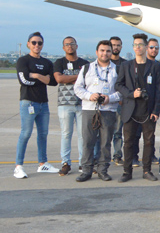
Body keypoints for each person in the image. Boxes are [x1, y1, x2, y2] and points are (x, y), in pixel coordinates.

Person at [115, 33, 160, 183]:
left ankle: (147, 170)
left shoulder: (154, 66)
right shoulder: (126, 65)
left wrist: (156, 110)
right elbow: (118, 85)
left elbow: (157, 89)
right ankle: (127, 171)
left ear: (146, 47)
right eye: (135, 45)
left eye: (140, 45)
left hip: (148, 111)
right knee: (128, 141)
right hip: (130, 110)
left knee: (149, 141)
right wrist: (131, 94)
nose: (138, 47)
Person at [74, 40, 121, 182]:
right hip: (89, 109)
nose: (105, 53)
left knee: (105, 142)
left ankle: (103, 170)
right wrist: (90, 96)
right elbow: (78, 88)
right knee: (88, 141)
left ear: (111, 53)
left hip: (108, 110)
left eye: (107, 51)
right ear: (97, 52)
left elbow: (122, 91)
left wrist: (110, 98)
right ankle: (86, 170)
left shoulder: (116, 69)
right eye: (102, 50)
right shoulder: (87, 68)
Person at [14, 32, 59, 179]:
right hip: (28, 102)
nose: (36, 45)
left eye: (39, 43)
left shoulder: (47, 62)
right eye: (34, 42)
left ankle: (43, 164)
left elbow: (53, 81)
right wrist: (43, 78)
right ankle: (18, 166)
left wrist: (37, 75)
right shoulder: (23, 60)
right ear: (28, 44)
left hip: (43, 104)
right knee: (25, 133)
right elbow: (24, 80)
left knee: (43, 134)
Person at [54, 36, 89, 176]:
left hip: (82, 103)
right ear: (63, 47)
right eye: (67, 44)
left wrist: (70, 78)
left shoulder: (85, 63)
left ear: (76, 46)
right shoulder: (59, 62)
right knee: (66, 134)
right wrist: (79, 77)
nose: (70, 46)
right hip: (64, 104)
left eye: (72, 44)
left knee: (83, 135)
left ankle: (82, 162)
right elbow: (59, 79)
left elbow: (88, 80)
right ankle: (66, 163)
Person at [109, 36, 126, 166]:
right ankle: (101, 156)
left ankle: (117, 155)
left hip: (119, 102)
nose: (116, 47)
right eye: (113, 45)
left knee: (118, 132)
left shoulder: (125, 64)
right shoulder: (104, 62)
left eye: (118, 45)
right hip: (106, 103)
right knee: (103, 132)